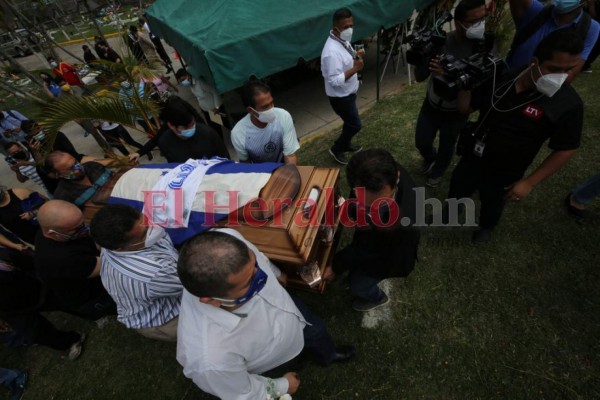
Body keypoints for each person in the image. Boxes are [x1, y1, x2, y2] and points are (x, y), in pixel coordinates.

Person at [176, 229, 355, 400]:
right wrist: (283, 385)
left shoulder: (228, 241)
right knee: (293, 362)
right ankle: (299, 361)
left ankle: (328, 355)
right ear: (212, 300)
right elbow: (243, 393)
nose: (261, 275)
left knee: (317, 331)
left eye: (255, 266)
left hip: (292, 310)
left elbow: (257, 254)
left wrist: (277, 273)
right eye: (250, 282)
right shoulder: (210, 360)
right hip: (278, 357)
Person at [446, 30, 584, 244]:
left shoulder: (567, 104)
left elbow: (566, 148)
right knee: (458, 185)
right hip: (473, 154)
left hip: (506, 170)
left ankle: (486, 227)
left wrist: (529, 182)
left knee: (493, 201)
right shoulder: (504, 76)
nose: (561, 77)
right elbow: (466, 108)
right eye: (554, 69)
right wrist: (465, 85)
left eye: (569, 69)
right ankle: (450, 213)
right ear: (534, 63)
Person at [325, 149, 420, 311]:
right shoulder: (382, 173)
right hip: (375, 244)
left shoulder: (402, 224)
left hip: (387, 260)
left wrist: (335, 265)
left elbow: (367, 248)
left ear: (396, 177)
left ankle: (376, 298)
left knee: (359, 285)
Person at [414, 0, 490, 188]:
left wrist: (447, 75)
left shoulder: (484, 49)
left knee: (447, 146)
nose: (480, 24)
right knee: (422, 141)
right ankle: (430, 158)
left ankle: (438, 170)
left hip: (455, 113)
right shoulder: (442, 41)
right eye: (474, 21)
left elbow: (478, 85)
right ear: (458, 23)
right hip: (431, 106)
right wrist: (423, 56)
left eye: (483, 18)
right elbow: (419, 75)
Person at [90, 205, 181, 341]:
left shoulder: (109, 241)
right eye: (144, 233)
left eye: (146, 220)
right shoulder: (155, 272)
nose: (153, 227)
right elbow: (196, 282)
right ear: (120, 248)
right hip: (167, 319)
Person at [0, 232, 85, 361]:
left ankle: (96, 312)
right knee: (35, 333)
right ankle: (70, 341)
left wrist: (15, 248)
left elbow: (27, 263)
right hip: (9, 310)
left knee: (64, 301)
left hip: (28, 287)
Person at [35, 200, 116, 321]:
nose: (85, 230)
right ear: (52, 233)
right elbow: (112, 266)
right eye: (77, 229)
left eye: (83, 223)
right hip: (91, 296)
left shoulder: (51, 229)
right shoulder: (62, 259)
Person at [506, 0, 600, 77]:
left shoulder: (589, 28)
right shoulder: (534, 11)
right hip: (507, 82)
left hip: (541, 92)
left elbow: (570, 74)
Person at [321, 7, 364, 165]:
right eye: (346, 27)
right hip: (341, 97)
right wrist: (356, 69)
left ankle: (346, 144)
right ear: (336, 29)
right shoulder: (331, 52)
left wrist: (356, 57)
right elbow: (334, 80)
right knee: (355, 124)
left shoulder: (341, 40)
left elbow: (346, 60)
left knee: (349, 122)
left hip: (349, 93)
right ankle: (337, 148)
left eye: (351, 25)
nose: (350, 29)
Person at [129, 97, 229, 163]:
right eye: (185, 128)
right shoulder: (166, 141)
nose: (191, 129)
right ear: (171, 125)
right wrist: (139, 152)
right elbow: (155, 140)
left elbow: (224, 156)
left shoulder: (206, 131)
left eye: (192, 125)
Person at [231, 81, 300, 164]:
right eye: (265, 106)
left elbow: (290, 156)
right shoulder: (238, 133)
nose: (271, 109)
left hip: (284, 165)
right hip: (260, 172)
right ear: (251, 110)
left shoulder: (283, 116)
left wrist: (290, 175)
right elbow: (246, 164)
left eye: (271, 103)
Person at [43, 151, 113, 207]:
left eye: (75, 163)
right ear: (58, 175)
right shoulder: (63, 196)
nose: (77, 170)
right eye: (69, 169)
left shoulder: (94, 166)